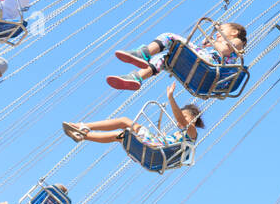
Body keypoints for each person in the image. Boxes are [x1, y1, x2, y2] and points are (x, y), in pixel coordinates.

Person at [107, 22, 247, 92]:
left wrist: (212, 41)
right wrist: (211, 42)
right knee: (166, 58)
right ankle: (137, 77)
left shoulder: (237, 42)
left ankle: (143, 53)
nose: (217, 33)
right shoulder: (218, 43)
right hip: (204, 71)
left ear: (234, 32)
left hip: (210, 66)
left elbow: (223, 50)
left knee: (169, 37)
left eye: (221, 30)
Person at [63, 83, 203, 151]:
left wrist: (171, 98)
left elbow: (180, 120)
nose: (180, 120)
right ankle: (83, 128)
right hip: (155, 143)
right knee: (124, 122)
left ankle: (83, 135)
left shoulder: (192, 133)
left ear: (193, 119)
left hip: (155, 148)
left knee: (122, 134)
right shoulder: (180, 135)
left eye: (185, 116)